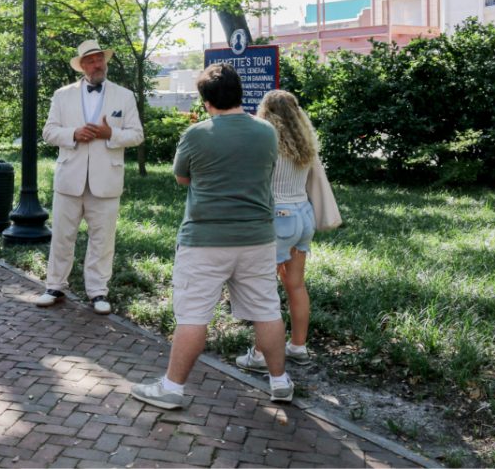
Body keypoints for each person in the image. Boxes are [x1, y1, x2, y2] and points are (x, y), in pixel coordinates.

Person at [130, 63, 294, 409]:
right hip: (257, 236)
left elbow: (182, 178)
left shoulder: (197, 134)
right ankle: (279, 382)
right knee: (267, 309)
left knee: (192, 315)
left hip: (205, 238)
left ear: (205, 100)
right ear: (240, 93)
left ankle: (172, 388)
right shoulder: (267, 132)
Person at [37, 39, 143, 315]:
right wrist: (73, 133)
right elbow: (48, 132)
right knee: (62, 235)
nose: (97, 64)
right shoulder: (62, 95)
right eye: (91, 60)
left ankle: (98, 292)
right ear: (82, 65)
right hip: (69, 177)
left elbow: (137, 135)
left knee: (102, 239)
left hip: (106, 179)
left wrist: (112, 135)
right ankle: (55, 286)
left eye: (100, 59)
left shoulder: (124, 96)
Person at [235, 89, 318, 372]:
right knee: (295, 285)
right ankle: (298, 346)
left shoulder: (266, 142)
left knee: (264, 291)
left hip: (278, 219)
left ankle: (260, 354)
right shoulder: (306, 141)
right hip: (304, 217)